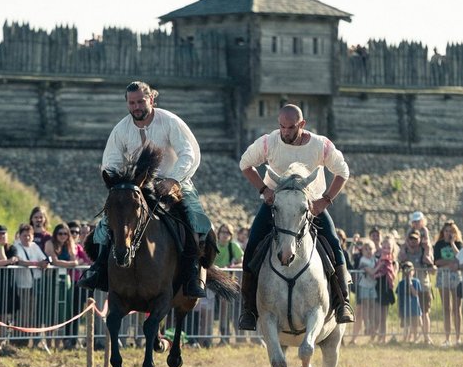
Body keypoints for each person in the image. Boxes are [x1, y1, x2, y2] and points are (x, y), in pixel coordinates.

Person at [79, 81, 209, 299]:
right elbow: (110, 163)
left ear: (151, 99)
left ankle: (192, 274)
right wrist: (119, 184)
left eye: (140, 101)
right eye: (132, 103)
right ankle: (99, 270)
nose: (136, 106)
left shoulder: (170, 122)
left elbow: (189, 153)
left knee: (200, 222)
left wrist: (173, 180)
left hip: (174, 181)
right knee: (104, 227)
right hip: (135, 187)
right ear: (127, 104)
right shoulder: (121, 129)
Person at [236, 104, 355, 329]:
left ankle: (343, 302)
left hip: (310, 205)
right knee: (252, 244)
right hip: (275, 205)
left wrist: (325, 200)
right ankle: (248, 308)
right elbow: (245, 164)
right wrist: (264, 190)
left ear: (302, 124)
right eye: (281, 126)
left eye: (290, 128)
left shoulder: (320, 145)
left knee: (333, 243)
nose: (285, 132)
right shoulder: (269, 141)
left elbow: (343, 172)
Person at [398, 228, 435, 344]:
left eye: (415, 239)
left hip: (423, 287)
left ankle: (426, 337)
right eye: (410, 239)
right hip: (408, 288)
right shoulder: (405, 252)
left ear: (420, 239)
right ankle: (410, 337)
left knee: (424, 313)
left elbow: (433, 269)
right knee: (409, 315)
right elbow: (399, 260)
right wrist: (404, 247)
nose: (413, 241)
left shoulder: (424, 251)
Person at [433, 220, 463, 346]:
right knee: (446, 308)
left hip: (456, 276)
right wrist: (450, 263)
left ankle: (458, 337)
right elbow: (437, 262)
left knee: (457, 308)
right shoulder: (438, 245)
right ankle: (447, 337)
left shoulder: (458, 244)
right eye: (446, 231)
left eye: (451, 231)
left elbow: (460, 257)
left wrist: (452, 244)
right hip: (443, 276)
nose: (448, 233)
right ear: (442, 232)